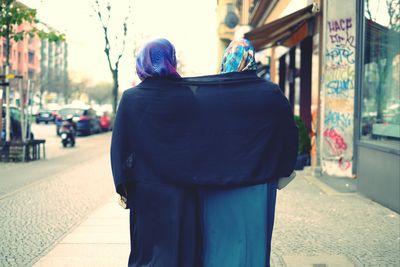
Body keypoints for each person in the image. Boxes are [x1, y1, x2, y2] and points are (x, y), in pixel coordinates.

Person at [111, 38, 298, 267]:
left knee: (151, 247)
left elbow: (121, 147)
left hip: (154, 188)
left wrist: (125, 186)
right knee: (225, 244)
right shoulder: (191, 95)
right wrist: (280, 170)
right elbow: (288, 134)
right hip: (218, 186)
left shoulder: (132, 99)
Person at [199, 38, 296, 267]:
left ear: (226, 60)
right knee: (254, 243)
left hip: (215, 186)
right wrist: (283, 170)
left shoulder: (208, 94)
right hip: (259, 183)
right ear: (252, 60)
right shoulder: (271, 93)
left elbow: (196, 137)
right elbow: (288, 133)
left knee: (218, 243)